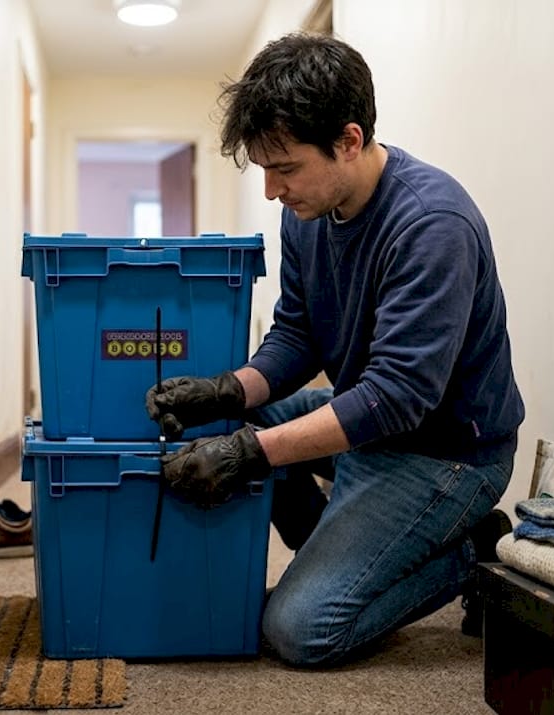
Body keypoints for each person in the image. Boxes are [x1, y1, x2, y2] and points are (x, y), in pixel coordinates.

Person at [146, 33, 525, 668]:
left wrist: (249, 452)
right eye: (264, 168)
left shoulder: (433, 225)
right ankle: (345, 550)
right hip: (369, 417)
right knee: (229, 425)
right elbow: (298, 334)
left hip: (443, 452)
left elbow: (398, 397)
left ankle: (473, 555)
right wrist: (228, 392)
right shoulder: (308, 213)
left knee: (298, 630)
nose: (271, 190)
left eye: (285, 167)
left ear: (348, 141)